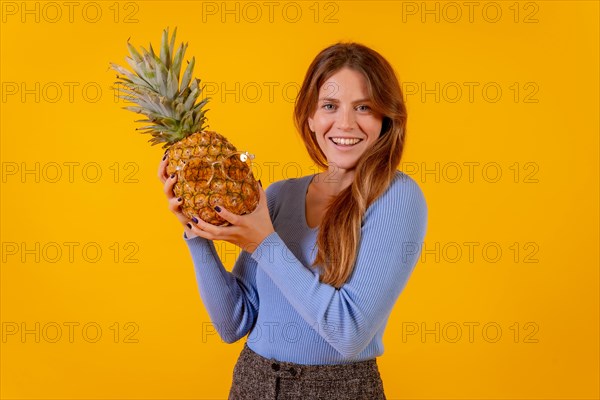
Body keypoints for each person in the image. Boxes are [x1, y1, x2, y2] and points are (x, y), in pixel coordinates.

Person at [158, 42, 428, 399]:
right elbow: (233, 322)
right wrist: (197, 233)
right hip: (252, 382)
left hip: (337, 390)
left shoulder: (397, 197)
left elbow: (348, 333)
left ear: (385, 119)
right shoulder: (279, 195)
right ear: (310, 118)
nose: (345, 123)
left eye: (363, 107)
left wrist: (263, 243)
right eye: (329, 106)